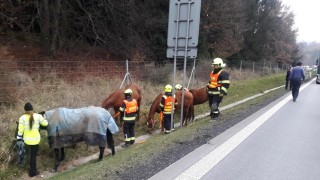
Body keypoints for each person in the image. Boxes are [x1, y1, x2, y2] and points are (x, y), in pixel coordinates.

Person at [16, 102, 48, 177]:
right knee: (33, 156)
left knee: (31, 155)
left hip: (27, 140)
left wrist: (19, 138)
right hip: (36, 140)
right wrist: (45, 118)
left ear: (25, 110)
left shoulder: (22, 118)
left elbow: (20, 130)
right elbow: (45, 124)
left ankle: (32, 170)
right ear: (32, 109)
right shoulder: (38, 116)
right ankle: (32, 172)